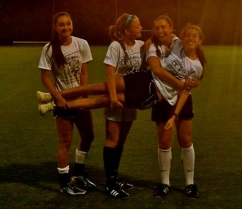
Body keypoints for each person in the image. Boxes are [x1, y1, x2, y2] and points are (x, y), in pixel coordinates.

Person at [40, 19, 204, 195]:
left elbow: (185, 81)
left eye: (162, 27)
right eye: (141, 26)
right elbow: (156, 69)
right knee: (97, 91)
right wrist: (181, 84)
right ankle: (54, 96)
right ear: (126, 31)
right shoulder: (149, 44)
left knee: (100, 102)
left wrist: (183, 96)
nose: (147, 28)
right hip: (142, 81)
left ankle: (54, 104)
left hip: (150, 93)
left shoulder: (178, 53)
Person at [147, 17, 206, 199]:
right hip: (161, 96)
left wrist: (175, 115)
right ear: (182, 36)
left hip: (182, 99)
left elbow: (187, 90)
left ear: (200, 40)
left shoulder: (197, 66)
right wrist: (149, 41)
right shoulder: (176, 43)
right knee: (164, 142)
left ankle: (190, 183)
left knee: (185, 140)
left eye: (194, 36)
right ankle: (165, 183)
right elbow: (159, 37)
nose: (190, 38)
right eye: (188, 35)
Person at [37, 11, 96, 196]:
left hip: (80, 99)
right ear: (55, 27)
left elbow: (84, 73)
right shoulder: (49, 49)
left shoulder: (82, 44)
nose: (66, 27)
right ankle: (64, 184)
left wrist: (85, 96)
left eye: (68, 23)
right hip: (63, 101)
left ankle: (78, 174)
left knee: (88, 136)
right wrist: (58, 98)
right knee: (65, 142)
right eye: (61, 24)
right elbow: (45, 77)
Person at [102, 13, 145, 199]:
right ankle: (109, 183)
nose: (141, 28)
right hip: (116, 97)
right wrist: (112, 98)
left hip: (131, 99)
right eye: (137, 25)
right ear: (127, 31)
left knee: (121, 140)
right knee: (112, 138)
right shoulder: (116, 46)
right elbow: (110, 74)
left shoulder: (141, 46)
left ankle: (115, 177)